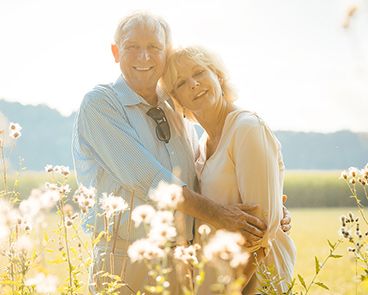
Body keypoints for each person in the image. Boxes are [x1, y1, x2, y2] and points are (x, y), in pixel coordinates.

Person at [72, 10, 291, 294]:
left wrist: (270, 204)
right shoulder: (100, 104)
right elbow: (151, 179)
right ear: (116, 52)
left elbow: (203, 181)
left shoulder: (177, 110)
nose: (144, 57)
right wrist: (222, 214)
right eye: (132, 47)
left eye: (154, 47)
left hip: (185, 266)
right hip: (126, 262)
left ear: (165, 55)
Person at [161, 45, 297, 294]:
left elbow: (260, 234)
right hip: (222, 280)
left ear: (218, 76)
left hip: (255, 282)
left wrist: (229, 290)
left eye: (199, 72)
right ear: (177, 99)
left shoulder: (247, 128)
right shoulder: (202, 144)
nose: (193, 84)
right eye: (181, 83)